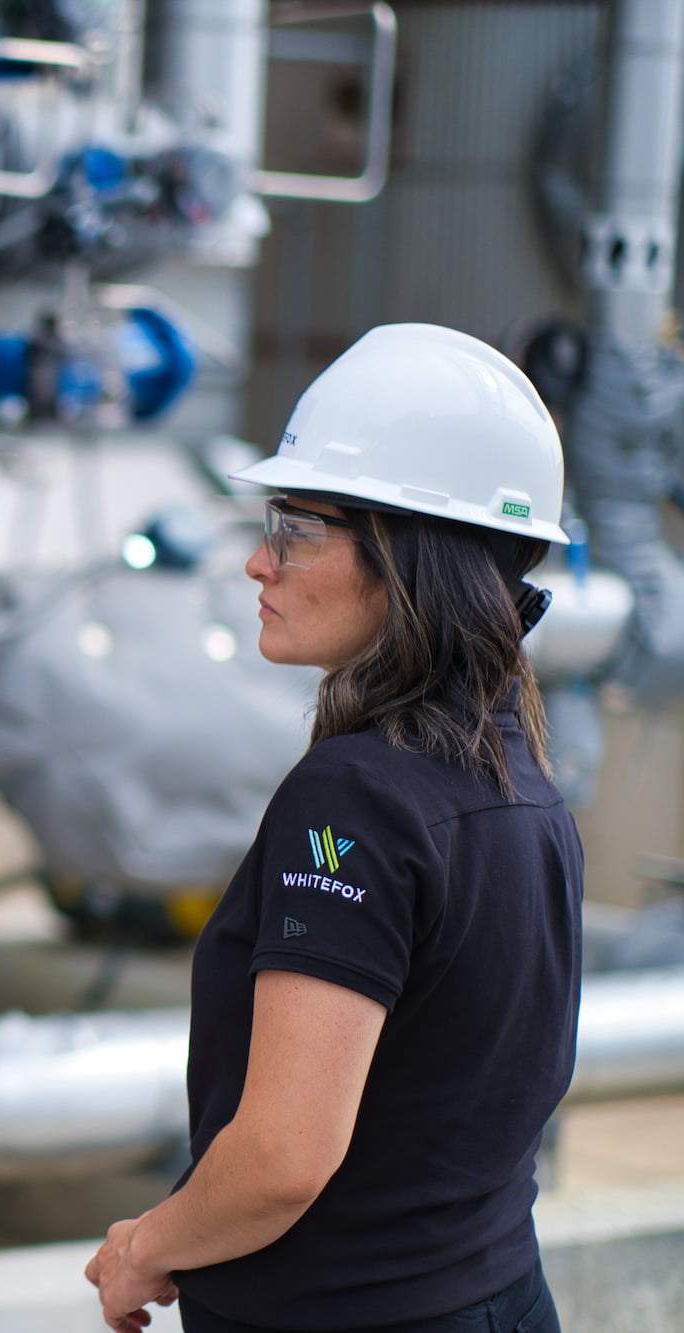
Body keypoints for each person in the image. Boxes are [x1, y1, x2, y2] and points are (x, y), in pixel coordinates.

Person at [85, 323, 582, 1333]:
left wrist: (144, 1248)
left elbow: (279, 1158)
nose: (256, 564)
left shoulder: (352, 800)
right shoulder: (518, 780)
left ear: (406, 557)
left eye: (295, 528)